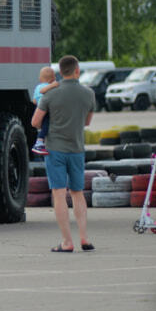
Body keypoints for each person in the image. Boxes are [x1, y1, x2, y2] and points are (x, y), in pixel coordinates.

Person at [31, 55, 96, 253]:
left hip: (55, 150)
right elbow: (87, 122)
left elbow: (35, 122)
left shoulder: (51, 94)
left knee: (59, 193)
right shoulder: (88, 94)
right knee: (77, 193)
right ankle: (84, 238)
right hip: (76, 149)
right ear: (77, 71)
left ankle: (67, 242)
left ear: (61, 72)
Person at [30, 66, 58, 155]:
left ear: (40, 78)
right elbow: (43, 91)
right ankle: (39, 142)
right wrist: (53, 85)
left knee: (42, 126)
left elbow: (34, 101)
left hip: (38, 108)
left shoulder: (37, 87)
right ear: (53, 79)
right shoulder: (48, 86)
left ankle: (41, 139)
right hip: (46, 109)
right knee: (47, 124)